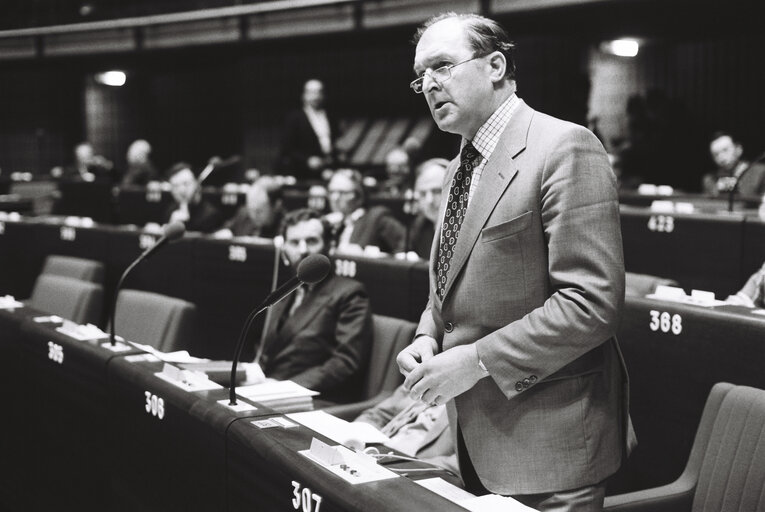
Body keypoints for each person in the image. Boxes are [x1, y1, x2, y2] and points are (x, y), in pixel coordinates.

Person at [396, 13, 635, 510]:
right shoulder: (457, 168)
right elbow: (449, 286)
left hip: (552, 445)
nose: (430, 85)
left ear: (495, 65)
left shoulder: (564, 146)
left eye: (442, 66)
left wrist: (475, 360)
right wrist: (427, 335)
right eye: (422, 77)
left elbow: (590, 305)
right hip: (476, 441)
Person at [258, 208, 373, 403]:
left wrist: (284, 389)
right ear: (284, 248)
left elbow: (345, 362)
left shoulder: (350, 293)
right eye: (294, 242)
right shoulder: (284, 292)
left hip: (311, 399)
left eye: (311, 241)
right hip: (266, 390)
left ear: (330, 245)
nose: (302, 250)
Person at [353, 383, 457, 474]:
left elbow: (460, 464)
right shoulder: (421, 376)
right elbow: (376, 415)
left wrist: (404, 467)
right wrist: (352, 436)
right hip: (369, 453)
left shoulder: (470, 403)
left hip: (412, 472)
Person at [325, 168, 406, 255]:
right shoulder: (331, 222)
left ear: (359, 195)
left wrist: (370, 255)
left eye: (343, 192)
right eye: (332, 192)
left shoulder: (377, 217)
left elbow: (406, 246)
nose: (335, 198)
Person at [276, 79, 341, 180]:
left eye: (319, 92)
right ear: (304, 95)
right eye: (312, 92)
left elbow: (335, 141)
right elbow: (287, 148)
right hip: (302, 173)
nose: (316, 96)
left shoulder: (330, 117)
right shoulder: (295, 118)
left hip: (327, 170)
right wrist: (307, 160)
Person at [213, 177, 284, 239]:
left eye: (259, 211)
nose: (253, 216)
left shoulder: (288, 227)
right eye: (251, 210)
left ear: (277, 205)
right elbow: (226, 230)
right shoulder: (244, 214)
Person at [162, 162, 223, 233]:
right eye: (176, 186)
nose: (182, 190)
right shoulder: (170, 210)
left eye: (186, 184)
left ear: (197, 184)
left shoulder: (211, 214)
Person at [407, 158, 449, 259]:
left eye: (437, 191)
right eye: (423, 193)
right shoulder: (420, 226)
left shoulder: (468, 230)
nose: (429, 200)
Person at [702, 131, 765, 197]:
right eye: (716, 154)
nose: (721, 157)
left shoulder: (760, 172)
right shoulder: (710, 180)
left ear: (738, 149)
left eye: (725, 150)